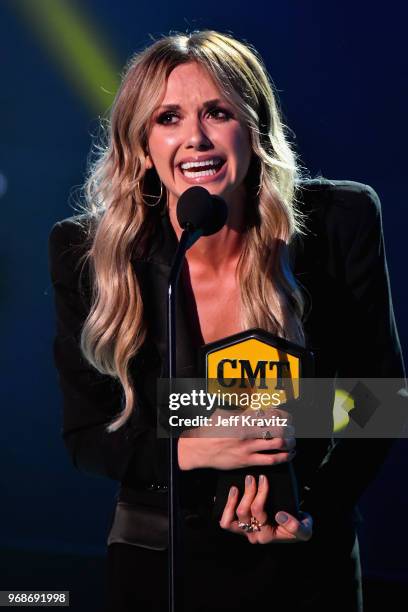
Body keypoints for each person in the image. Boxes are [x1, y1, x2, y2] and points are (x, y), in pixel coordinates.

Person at [48, 31, 405, 611]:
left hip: (306, 550)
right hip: (160, 557)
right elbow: (87, 435)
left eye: (217, 112)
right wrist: (193, 447)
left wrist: (310, 507)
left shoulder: (340, 221)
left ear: (255, 129)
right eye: (168, 117)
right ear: (141, 145)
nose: (195, 138)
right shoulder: (87, 253)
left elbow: (384, 403)